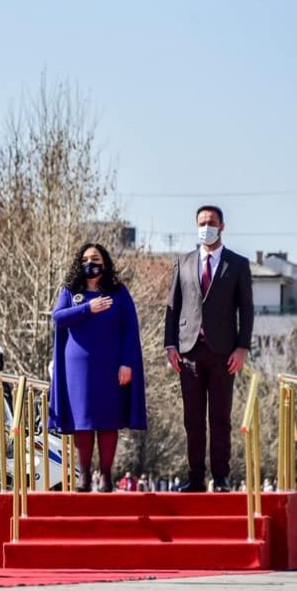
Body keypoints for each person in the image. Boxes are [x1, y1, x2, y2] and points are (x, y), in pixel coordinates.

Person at [164, 205, 254, 493]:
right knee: (192, 419)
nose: (206, 227)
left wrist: (242, 348)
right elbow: (172, 307)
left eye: (211, 222)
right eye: (202, 222)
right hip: (189, 351)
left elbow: (247, 310)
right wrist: (170, 345)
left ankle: (222, 477)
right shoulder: (184, 262)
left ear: (222, 226)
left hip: (223, 353)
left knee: (219, 418)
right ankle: (195, 477)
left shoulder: (237, 264)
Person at [49, 243, 147, 493]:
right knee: (82, 421)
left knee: (107, 419)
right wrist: (87, 309)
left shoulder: (119, 292)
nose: (90, 263)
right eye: (85, 259)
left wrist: (127, 363)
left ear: (105, 263)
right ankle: (83, 476)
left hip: (111, 366)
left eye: (95, 259)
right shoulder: (71, 291)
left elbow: (130, 330)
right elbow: (58, 317)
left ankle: (105, 476)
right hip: (77, 368)